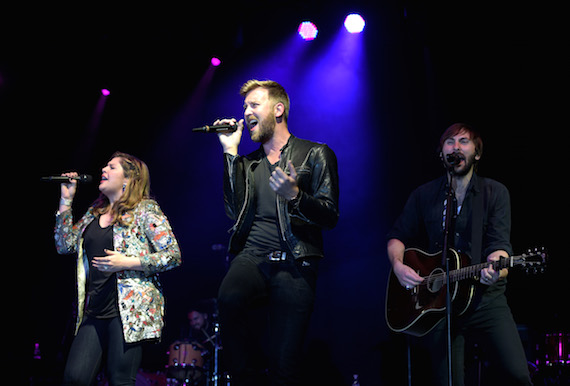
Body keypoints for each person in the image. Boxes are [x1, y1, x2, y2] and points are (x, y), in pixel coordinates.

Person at [214, 79, 339, 385]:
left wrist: (297, 195)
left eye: (254, 105)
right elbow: (233, 209)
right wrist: (230, 151)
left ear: (278, 109)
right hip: (253, 256)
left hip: (296, 261)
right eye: (244, 107)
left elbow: (330, 215)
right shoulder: (246, 164)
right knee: (229, 297)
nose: (246, 113)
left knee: (284, 365)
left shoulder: (316, 154)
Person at [386, 123, 532, 385]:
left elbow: (500, 246)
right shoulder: (424, 195)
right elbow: (397, 237)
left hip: (486, 301)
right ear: (441, 154)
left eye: (464, 141)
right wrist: (398, 265)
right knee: (449, 382)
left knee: (517, 376)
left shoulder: (494, 192)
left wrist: (496, 268)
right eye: (450, 142)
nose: (456, 147)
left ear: (477, 153)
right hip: (440, 305)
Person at [54, 151, 182, 385]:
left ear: (128, 179)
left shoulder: (145, 210)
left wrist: (128, 262)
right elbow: (64, 245)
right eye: (105, 165)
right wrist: (66, 200)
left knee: (120, 378)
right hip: (95, 309)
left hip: (129, 312)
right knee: (74, 378)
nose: (104, 169)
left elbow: (172, 256)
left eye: (112, 167)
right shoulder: (94, 212)